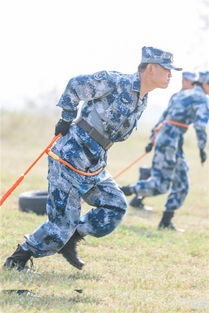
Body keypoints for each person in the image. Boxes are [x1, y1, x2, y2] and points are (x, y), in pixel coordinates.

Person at [4, 46, 182, 271]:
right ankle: (17, 259)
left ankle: (70, 241)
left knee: (115, 206)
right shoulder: (115, 81)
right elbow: (75, 86)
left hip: (95, 163)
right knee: (60, 226)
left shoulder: (143, 99)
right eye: (167, 69)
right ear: (151, 68)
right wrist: (67, 117)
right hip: (70, 157)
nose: (171, 74)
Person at [121, 71, 209, 231]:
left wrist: (152, 140)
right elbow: (200, 125)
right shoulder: (202, 99)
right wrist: (203, 148)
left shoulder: (181, 95)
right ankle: (124, 191)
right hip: (171, 141)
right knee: (161, 185)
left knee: (182, 183)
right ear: (205, 84)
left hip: (167, 138)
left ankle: (166, 222)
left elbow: (163, 118)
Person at [128, 71, 197, 210]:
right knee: (165, 177)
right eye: (190, 81)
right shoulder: (180, 97)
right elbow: (163, 119)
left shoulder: (186, 97)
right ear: (185, 81)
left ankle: (145, 178)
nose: (192, 84)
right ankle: (132, 190)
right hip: (169, 142)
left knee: (166, 172)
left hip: (174, 142)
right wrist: (151, 140)